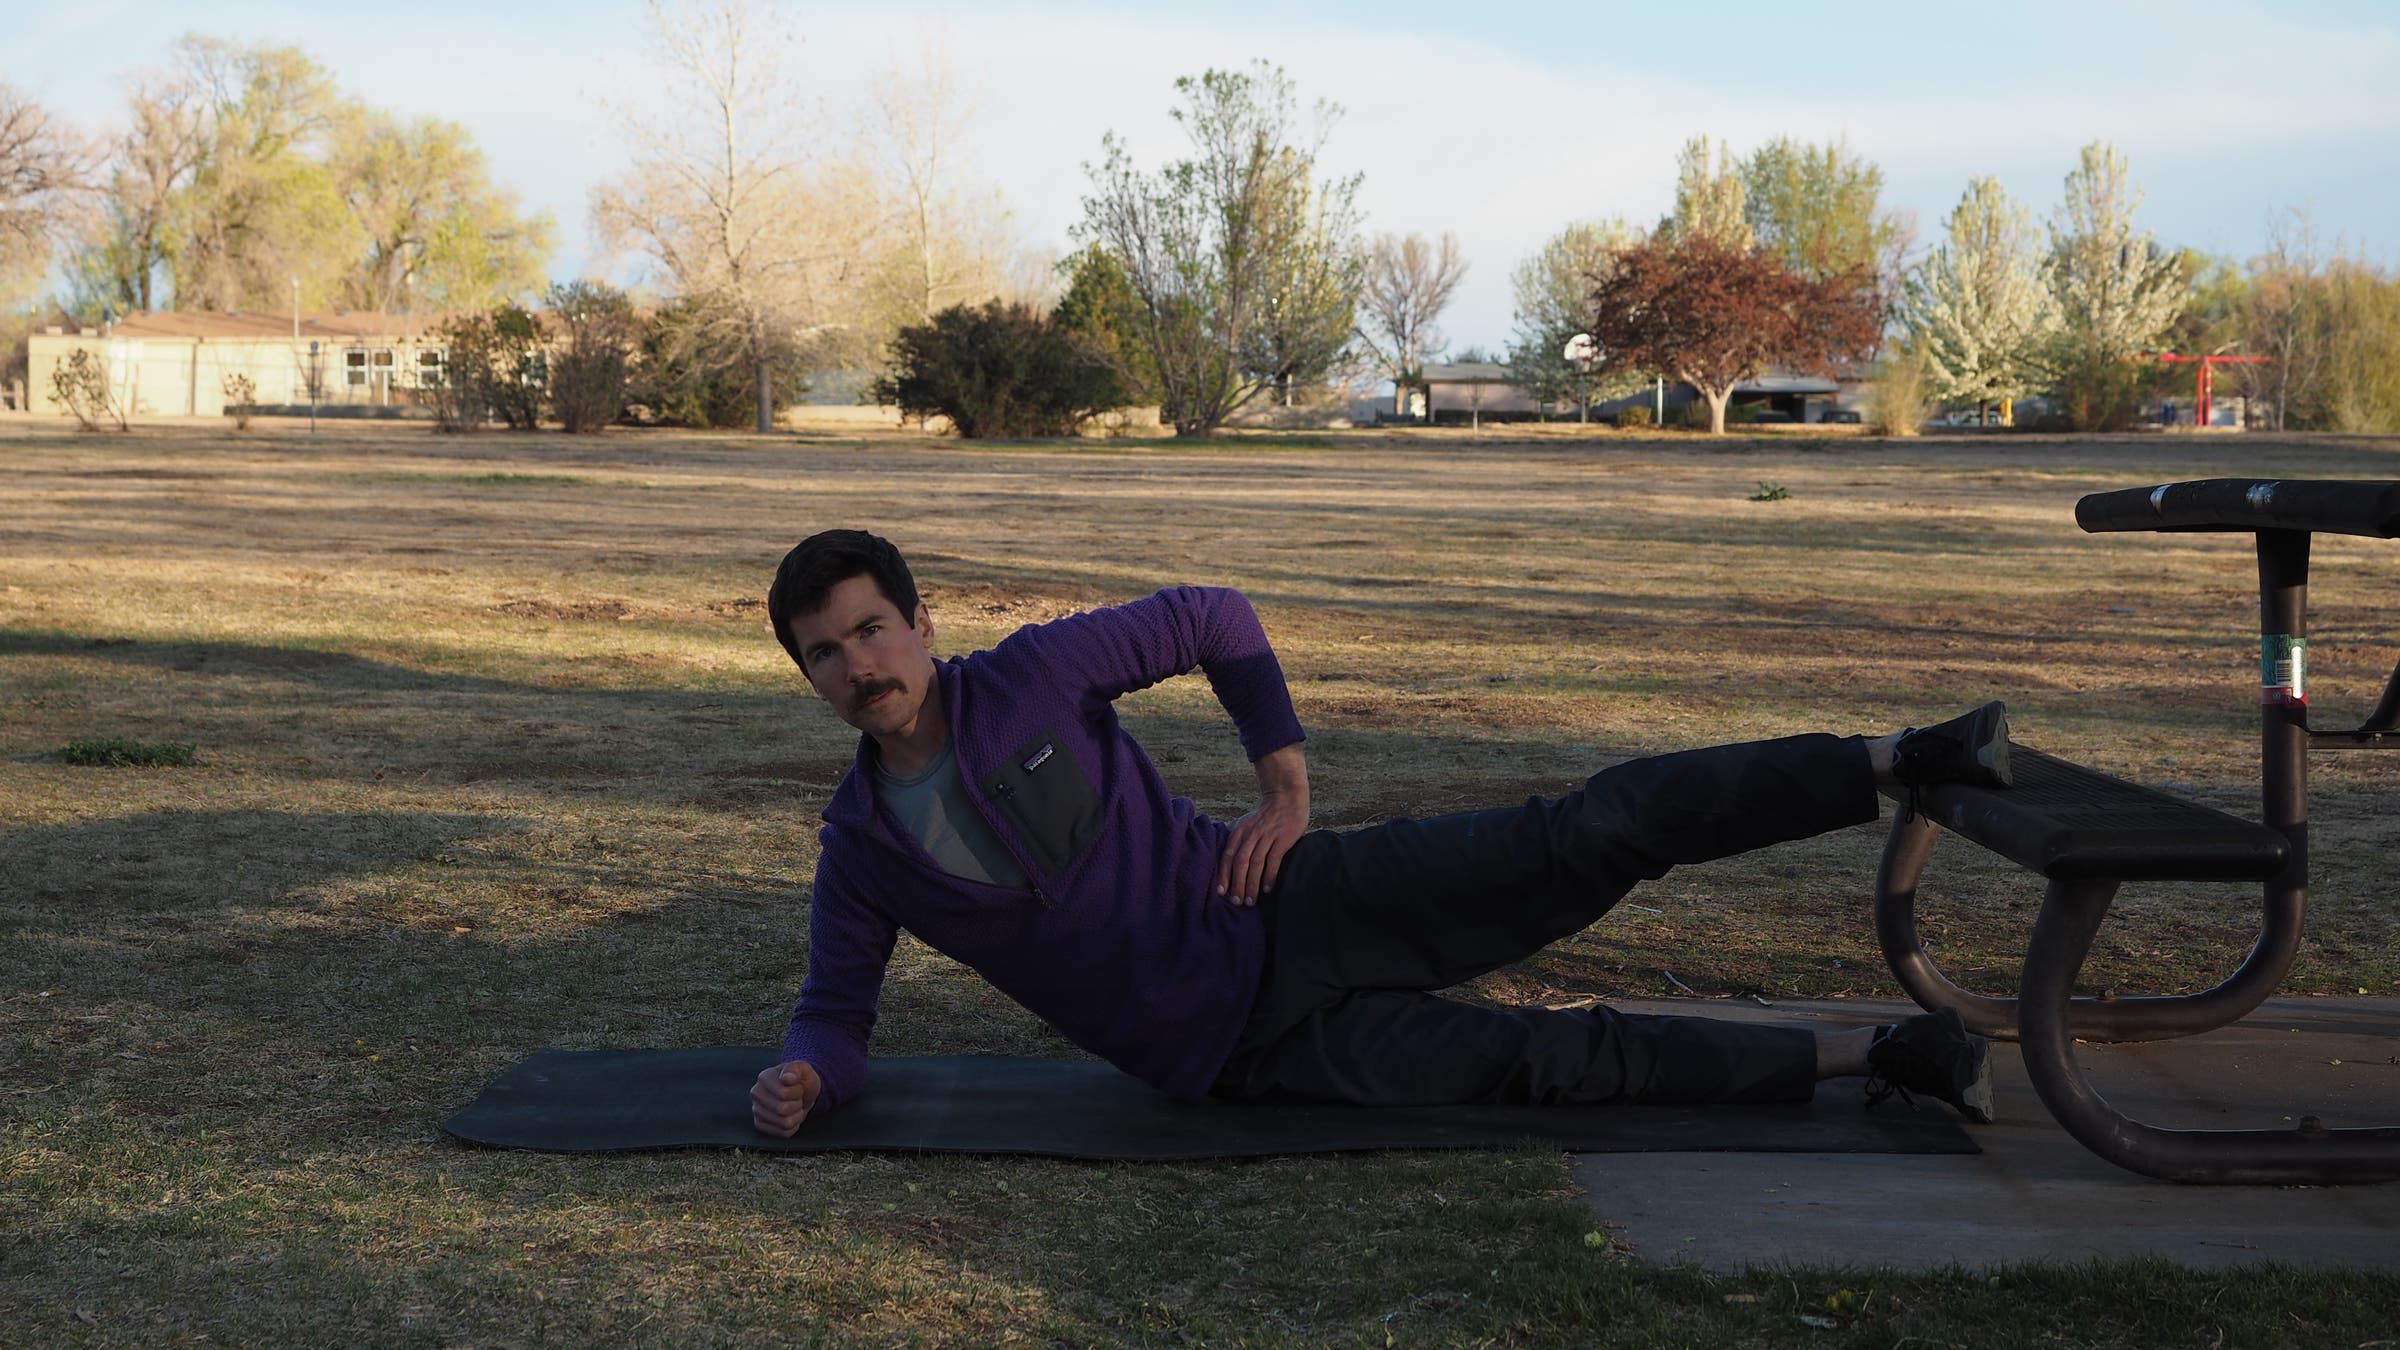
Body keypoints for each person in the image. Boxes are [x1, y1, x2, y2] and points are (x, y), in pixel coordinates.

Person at [750, 529, 2009, 1138]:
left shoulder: (1030, 675)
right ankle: (1886, 1053)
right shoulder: (861, 850)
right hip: (1247, 1053)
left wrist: (1285, 789)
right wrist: (809, 1077)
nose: (858, 667)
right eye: (824, 654)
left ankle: (1895, 759)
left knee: (1588, 832)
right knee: (1552, 1066)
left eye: (870, 630)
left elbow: (1216, 616)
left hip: (1294, 898)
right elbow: (835, 1013)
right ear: (807, 677)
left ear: (919, 622)